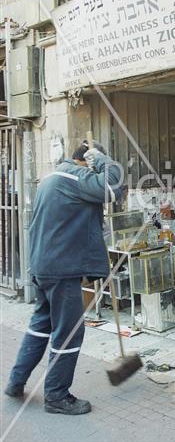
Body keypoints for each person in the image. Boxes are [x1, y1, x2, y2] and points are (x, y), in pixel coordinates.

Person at [5, 140, 122, 415]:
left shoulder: (51, 178)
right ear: (87, 161)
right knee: (69, 332)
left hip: (44, 267)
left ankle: (15, 381)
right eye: (93, 164)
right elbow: (112, 186)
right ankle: (56, 395)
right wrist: (102, 160)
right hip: (62, 269)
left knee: (40, 326)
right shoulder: (76, 176)